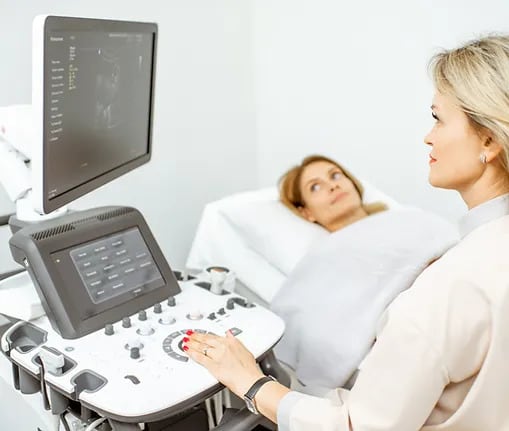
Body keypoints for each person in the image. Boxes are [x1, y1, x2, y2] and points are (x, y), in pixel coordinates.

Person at [183, 34, 509, 430]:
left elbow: (357, 425)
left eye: (438, 118)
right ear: (305, 212)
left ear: (489, 140)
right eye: (316, 187)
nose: (428, 135)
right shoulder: (478, 258)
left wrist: (250, 382)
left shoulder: (444, 289)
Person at [279, 154, 387, 232]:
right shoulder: (328, 258)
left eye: (335, 175)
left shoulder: (397, 221)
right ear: (307, 213)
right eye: (315, 187)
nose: (333, 186)